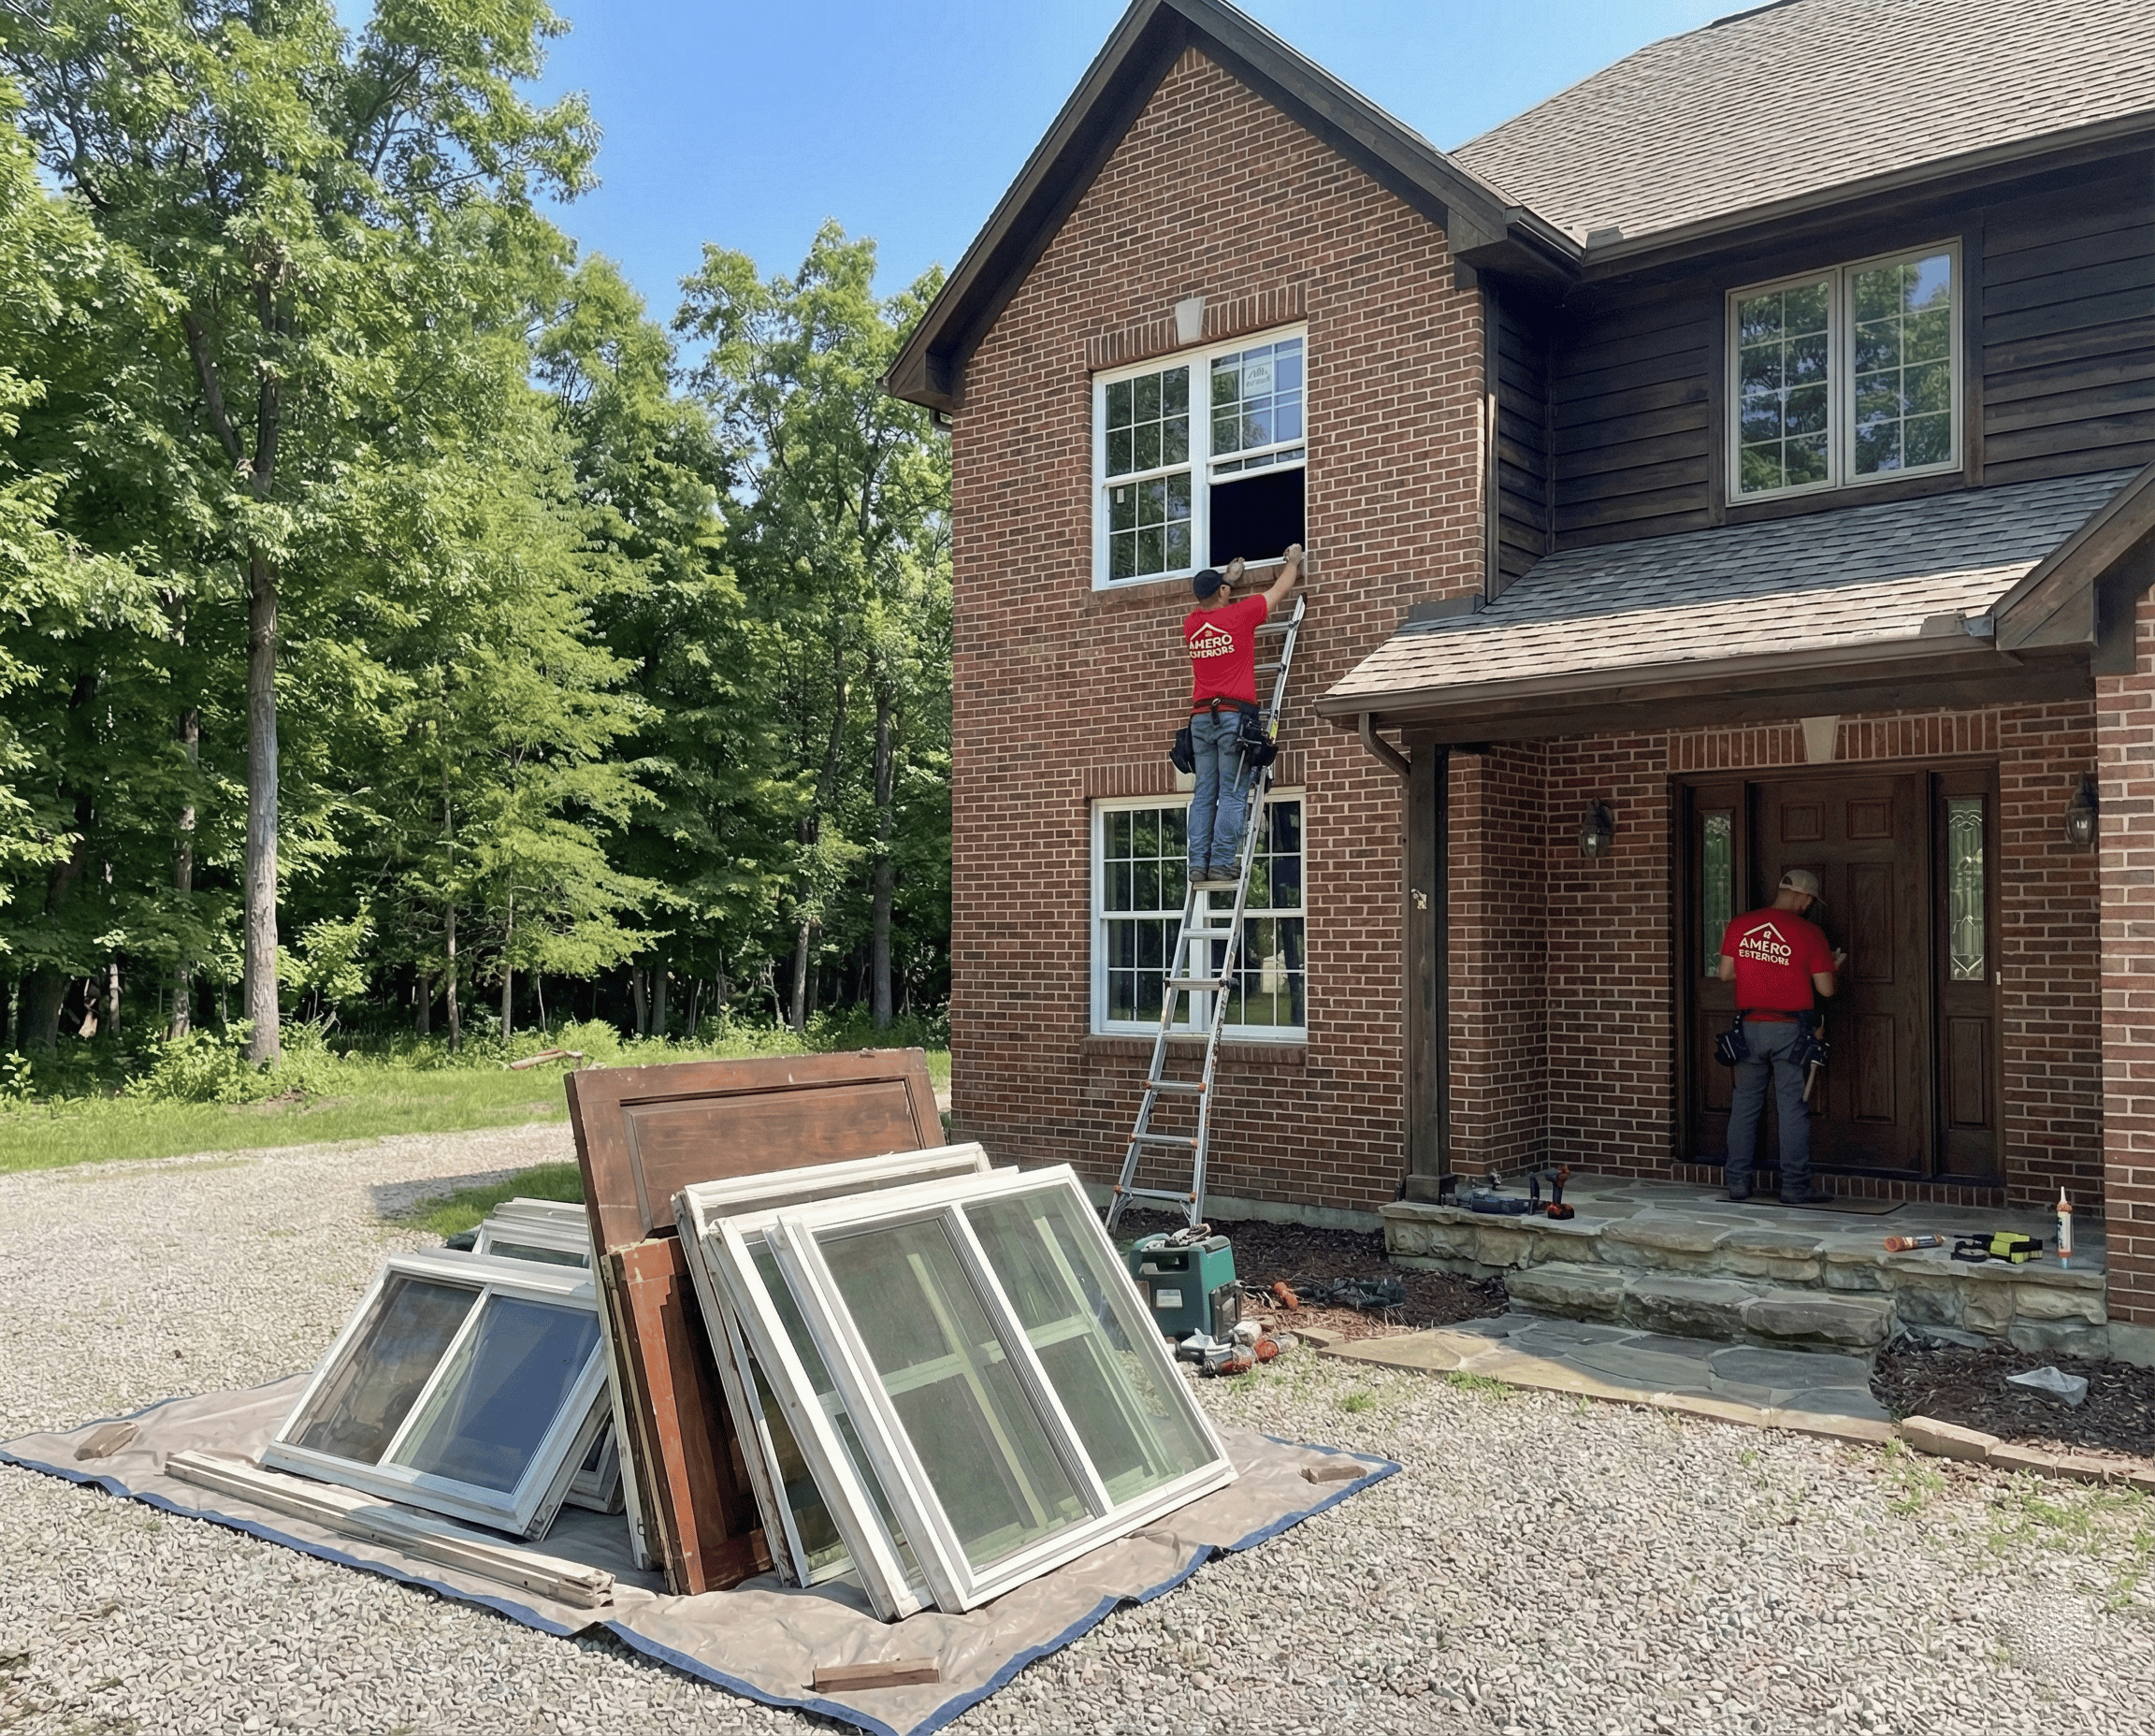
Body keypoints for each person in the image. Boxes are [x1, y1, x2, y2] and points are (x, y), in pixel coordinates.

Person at [1717, 869, 1844, 1205]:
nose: (1809, 906)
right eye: (1810, 901)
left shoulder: (1741, 925)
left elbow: (1725, 974)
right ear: (1804, 898)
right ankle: (1794, 1187)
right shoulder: (1810, 933)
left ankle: (1738, 1183)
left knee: (1744, 1106)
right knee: (1792, 1108)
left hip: (1748, 1029)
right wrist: (1832, 967)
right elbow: (1826, 990)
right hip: (1791, 1031)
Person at [1182, 543, 1303, 882]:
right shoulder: (1240, 615)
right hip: (1233, 719)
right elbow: (1281, 588)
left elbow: (1208, 599)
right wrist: (1293, 561)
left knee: (1205, 793)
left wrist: (1227, 580)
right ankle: (1221, 862)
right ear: (1222, 592)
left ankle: (1197, 865)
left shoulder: (1191, 624)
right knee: (1233, 792)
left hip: (1200, 720)